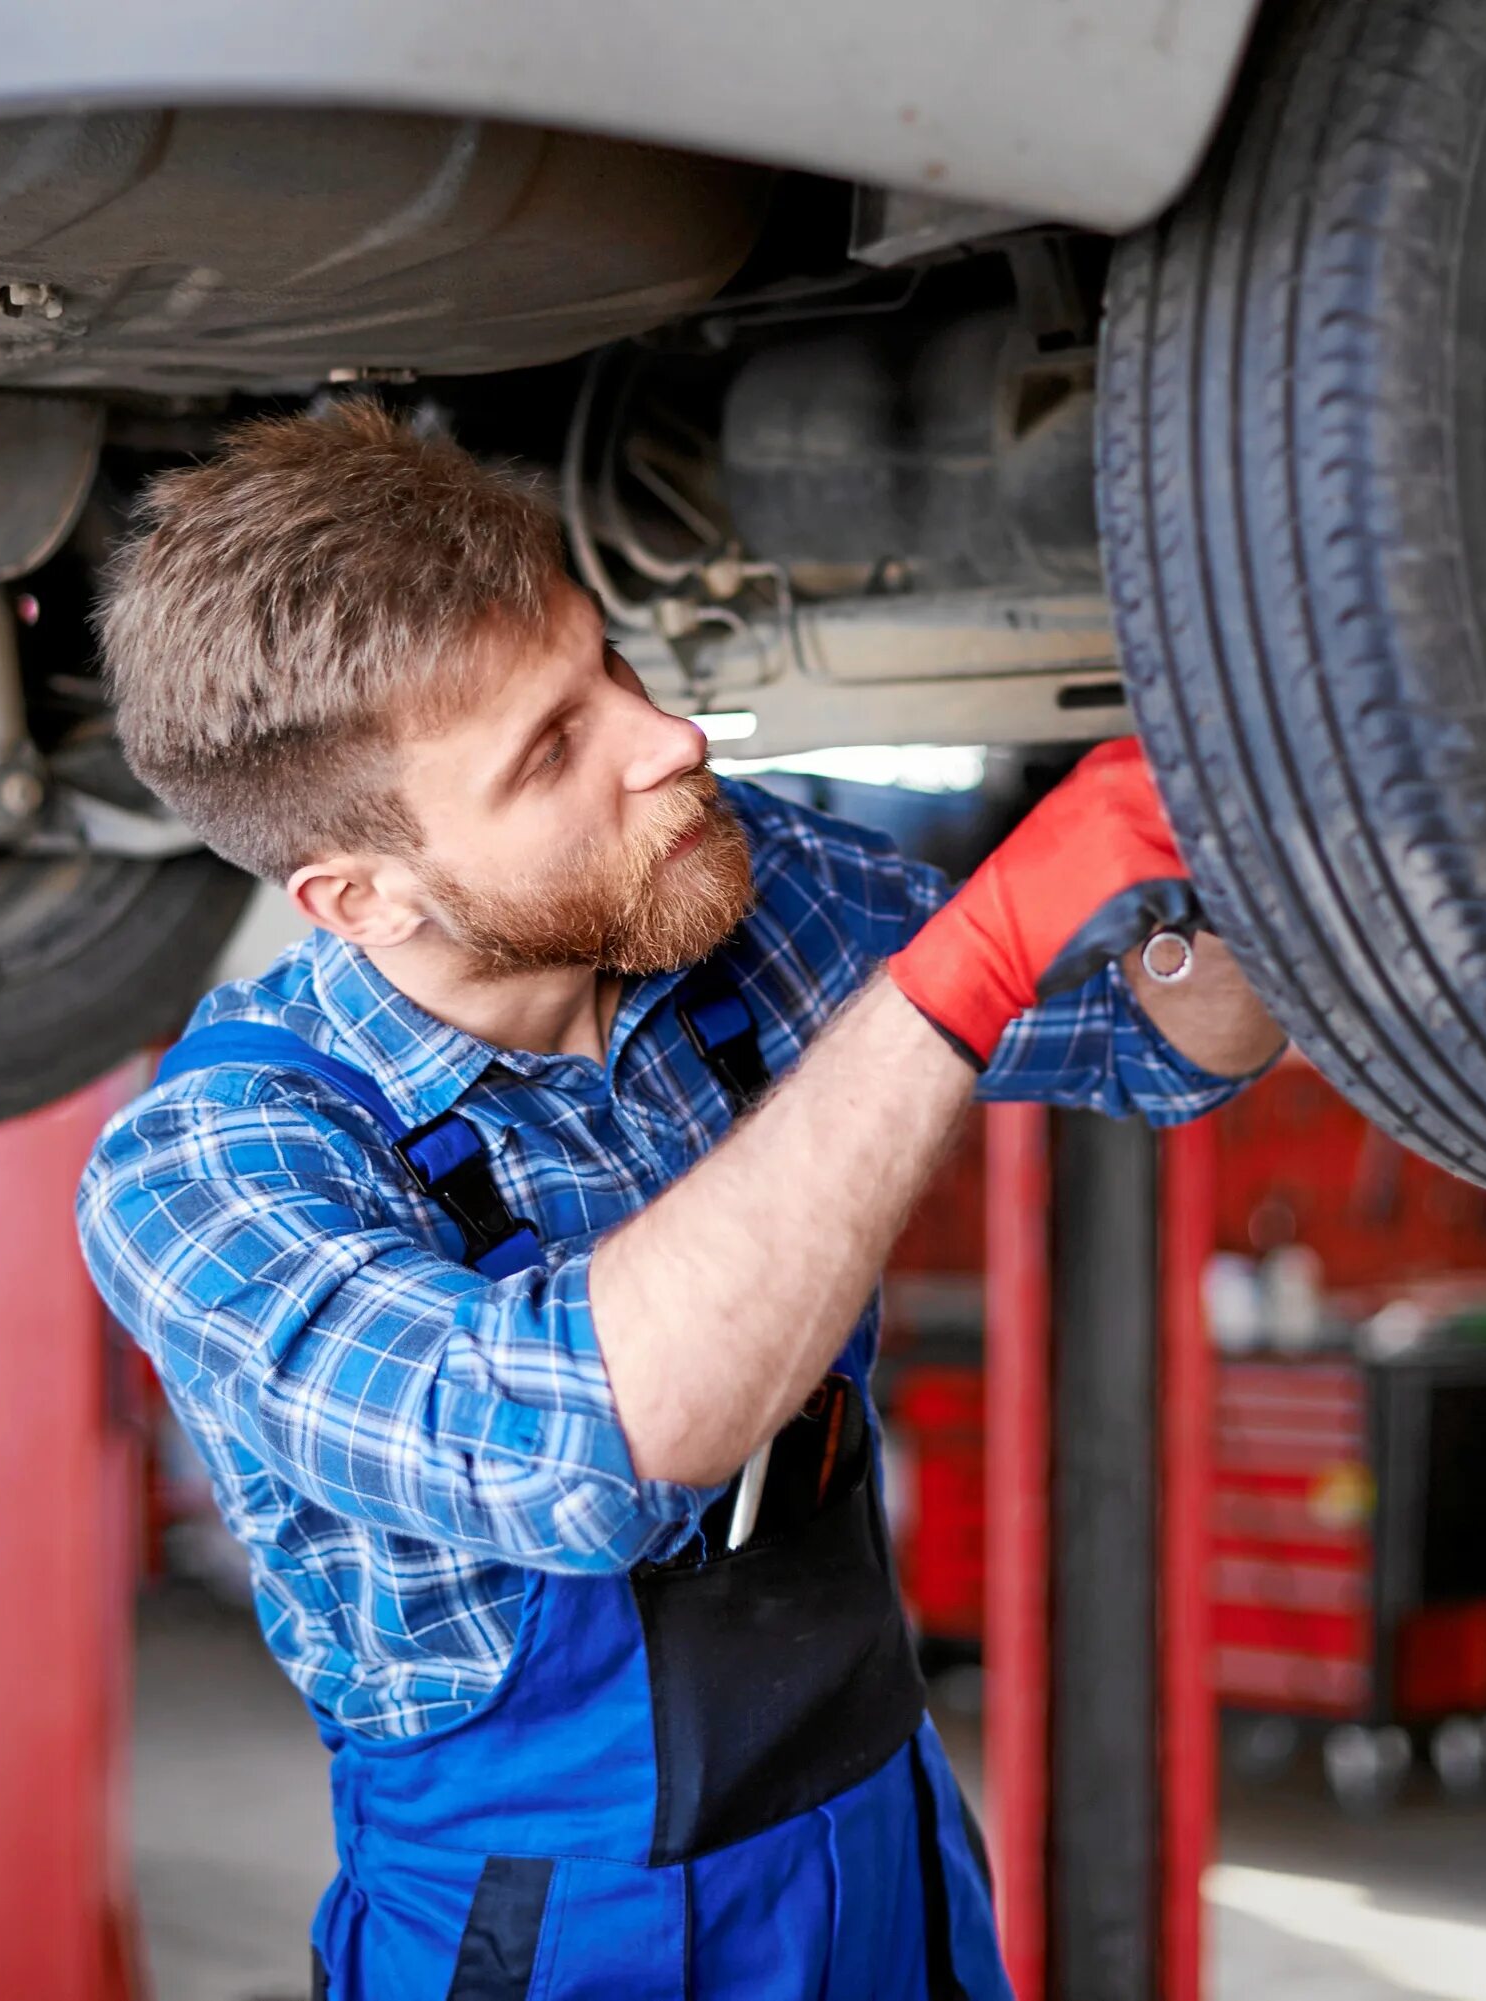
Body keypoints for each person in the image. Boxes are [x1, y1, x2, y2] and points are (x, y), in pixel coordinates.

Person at [76, 400, 1285, 1999]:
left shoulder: (712, 880)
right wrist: (956, 979)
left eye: (609, 669)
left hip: (874, 1834)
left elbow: (1157, 1040)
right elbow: (580, 1441)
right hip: (554, 1926)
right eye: (552, 749)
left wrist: (1257, 857)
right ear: (362, 896)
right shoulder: (211, 1172)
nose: (673, 744)